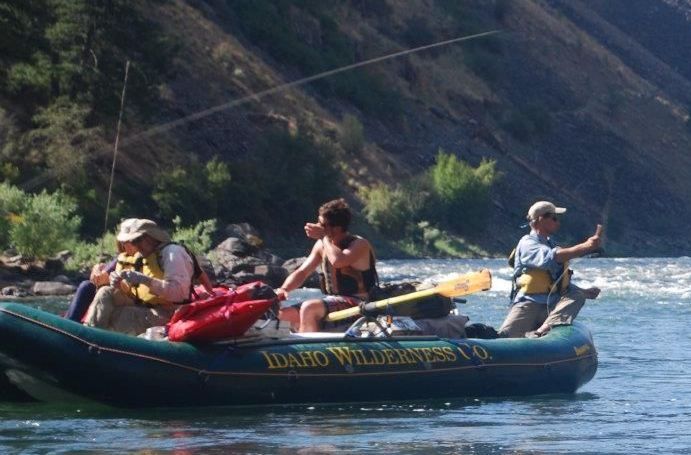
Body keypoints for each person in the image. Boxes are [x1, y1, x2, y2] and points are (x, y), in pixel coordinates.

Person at [498, 201, 602, 338]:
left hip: (552, 305)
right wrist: (586, 247)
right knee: (506, 337)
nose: (557, 222)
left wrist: (584, 291)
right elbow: (552, 258)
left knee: (577, 296)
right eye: (554, 218)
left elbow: (557, 282)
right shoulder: (527, 243)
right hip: (529, 304)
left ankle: (543, 329)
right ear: (541, 219)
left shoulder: (550, 243)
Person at [277, 198, 378, 332]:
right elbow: (302, 272)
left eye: (322, 224)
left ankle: (309, 349)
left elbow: (338, 261)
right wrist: (284, 289)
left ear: (336, 228)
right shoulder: (322, 245)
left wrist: (324, 237)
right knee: (284, 314)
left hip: (359, 303)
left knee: (309, 308)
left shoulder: (359, 244)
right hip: (333, 301)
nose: (317, 225)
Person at [82, 219, 197, 335]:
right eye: (131, 241)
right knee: (105, 292)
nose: (134, 245)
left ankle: (94, 340)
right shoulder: (144, 254)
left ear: (150, 237)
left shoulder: (172, 254)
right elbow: (135, 293)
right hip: (143, 305)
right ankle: (87, 335)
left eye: (136, 240)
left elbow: (179, 294)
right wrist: (119, 284)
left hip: (167, 312)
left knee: (122, 316)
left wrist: (145, 280)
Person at [64, 218, 139, 322]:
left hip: (133, 299)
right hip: (115, 295)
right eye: (124, 241)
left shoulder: (145, 259)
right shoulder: (121, 257)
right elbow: (98, 276)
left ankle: (70, 325)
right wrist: (97, 270)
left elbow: (135, 288)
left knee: (102, 291)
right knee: (87, 286)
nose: (126, 245)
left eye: (130, 241)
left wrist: (110, 281)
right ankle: (69, 323)